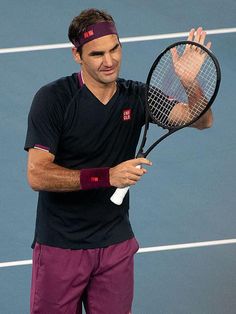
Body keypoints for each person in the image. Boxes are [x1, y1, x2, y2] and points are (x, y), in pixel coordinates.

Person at [25, 8, 213, 314]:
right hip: (61, 246)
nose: (109, 60)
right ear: (77, 56)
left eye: (115, 49)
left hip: (114, 244)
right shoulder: (53, 100)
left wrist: (190, 83)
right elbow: (37, 174)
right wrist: (106, 176)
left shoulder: (136, 97)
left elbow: (200, 120)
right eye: (97, 53)